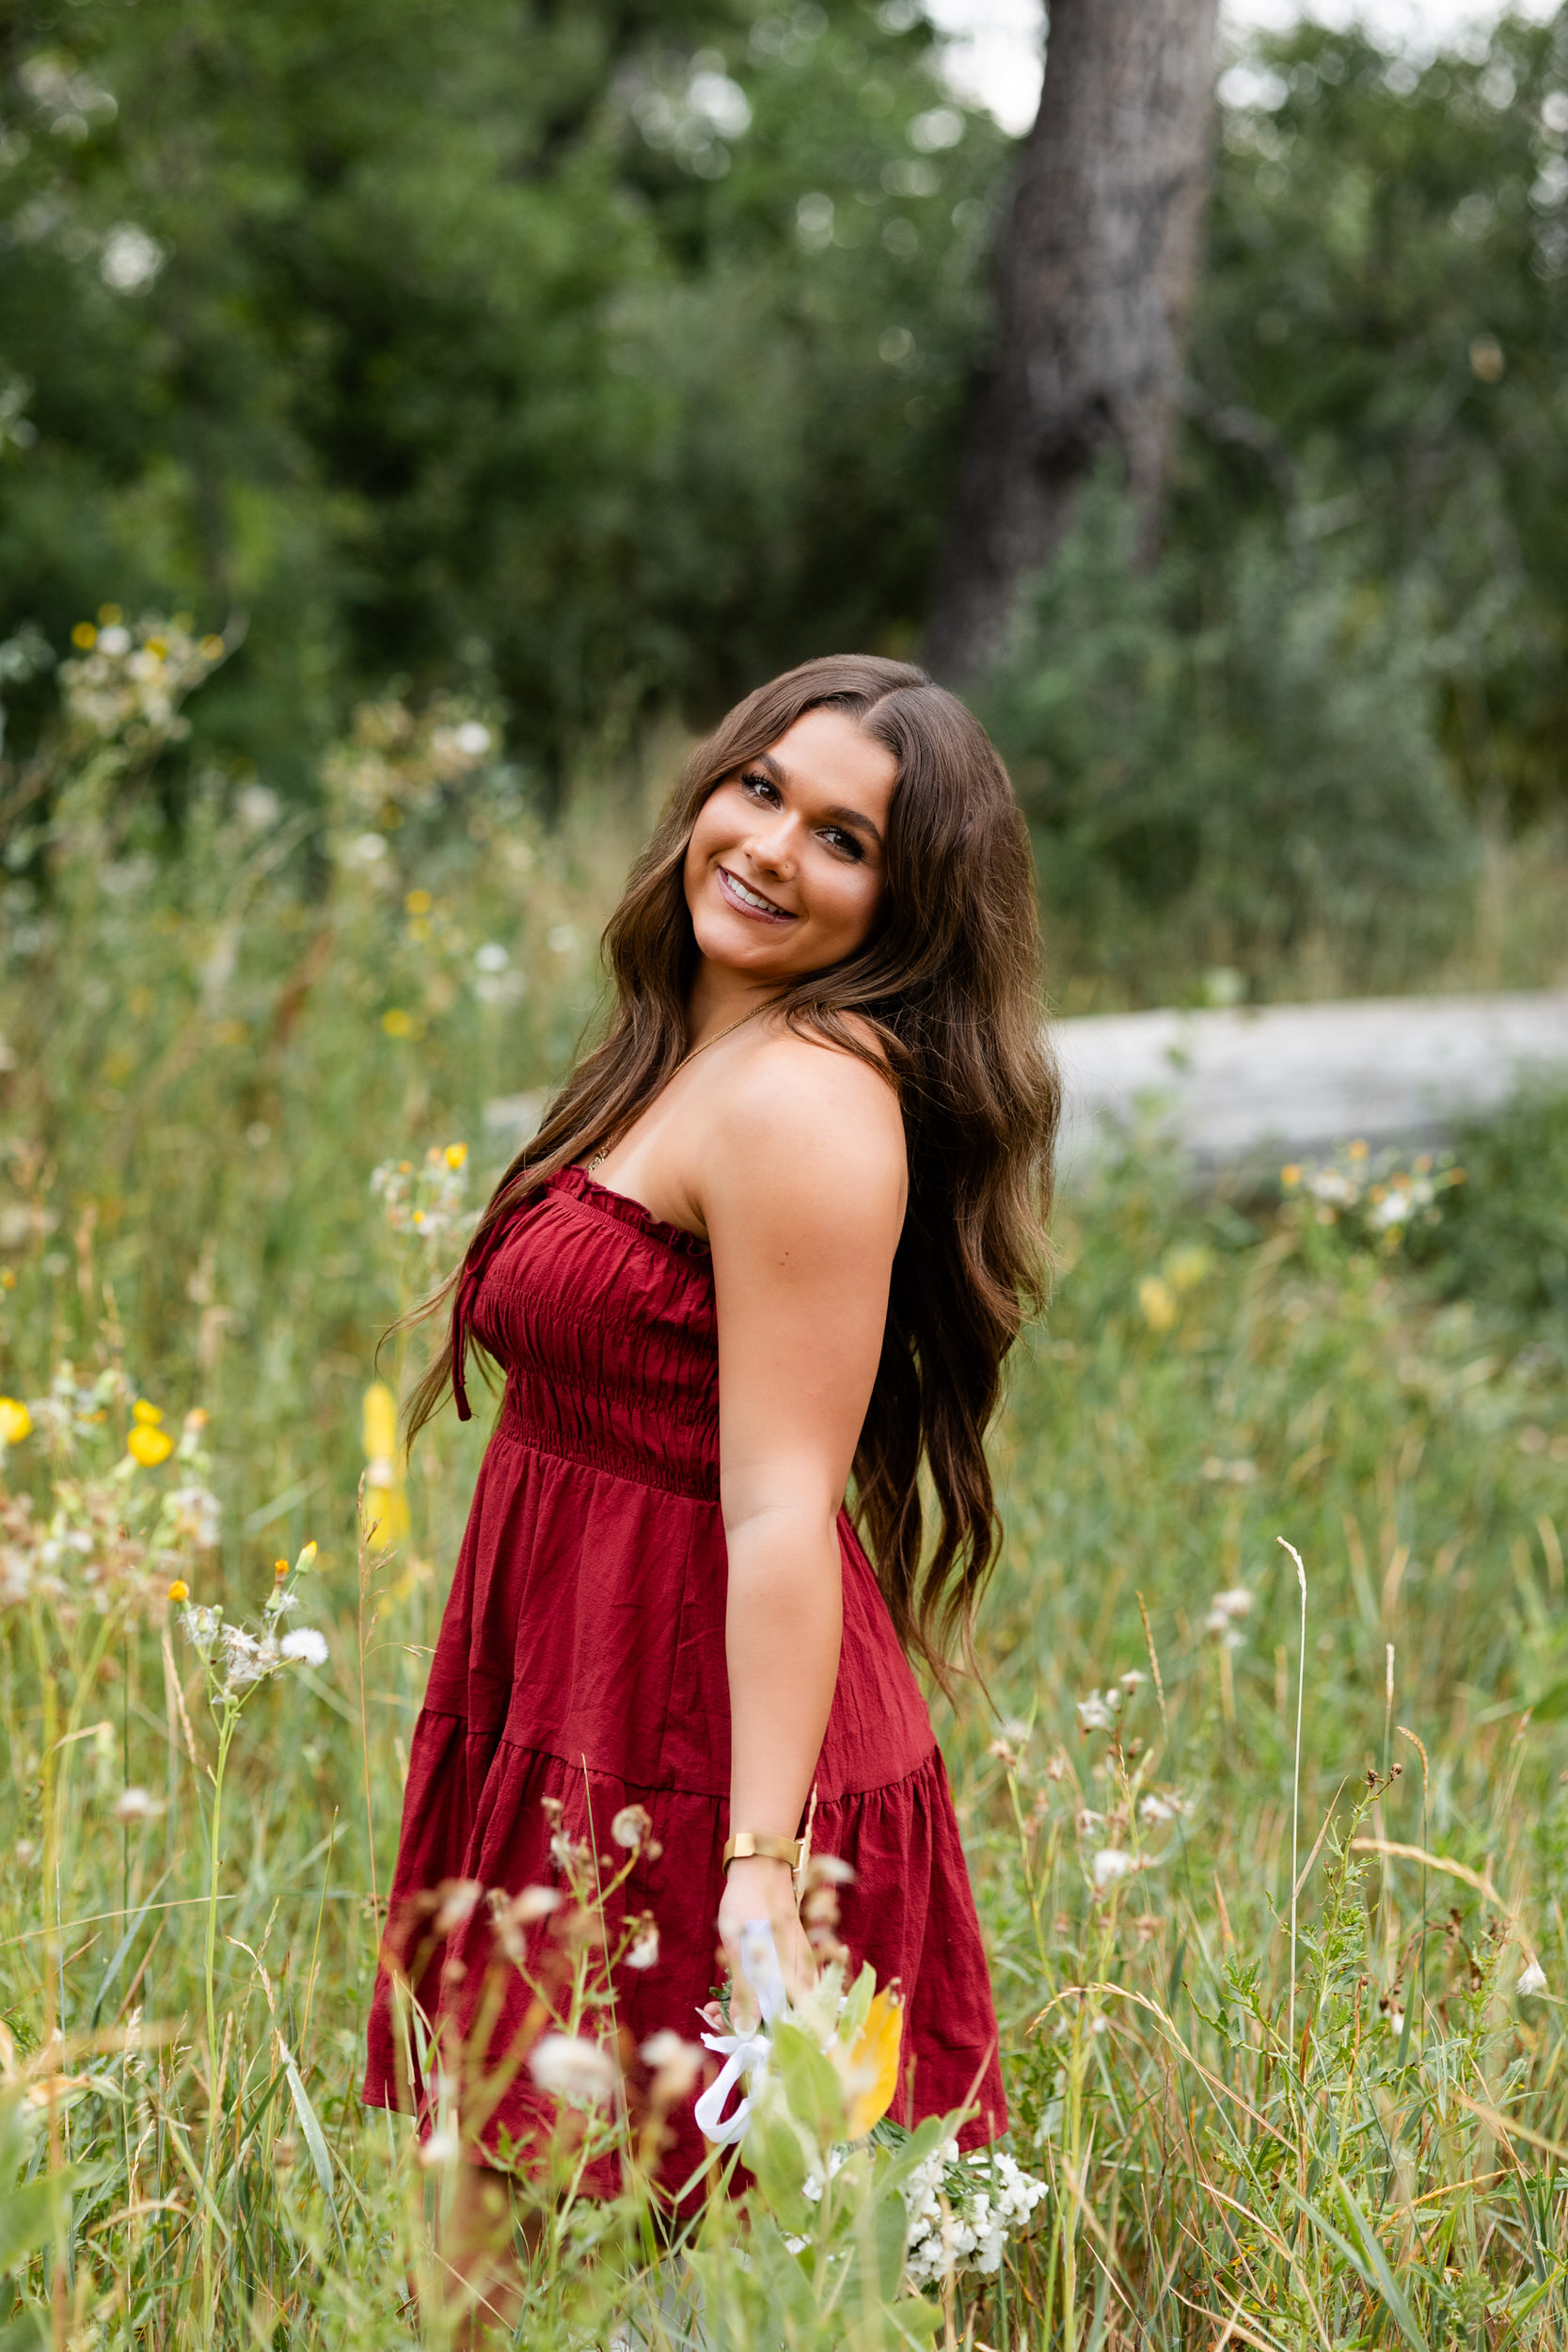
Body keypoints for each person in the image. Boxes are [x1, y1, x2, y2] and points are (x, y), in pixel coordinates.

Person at [362, 653, 1057, 2328]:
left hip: (703, 1760)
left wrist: (760, 1859)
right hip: (587, 1706)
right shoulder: (694, 1049)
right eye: (759, 789)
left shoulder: (809, 1103)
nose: (767, 848)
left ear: (908, 902)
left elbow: (778, 1509)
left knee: (710, 2295)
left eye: (845, 840)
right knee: (483, 2271)